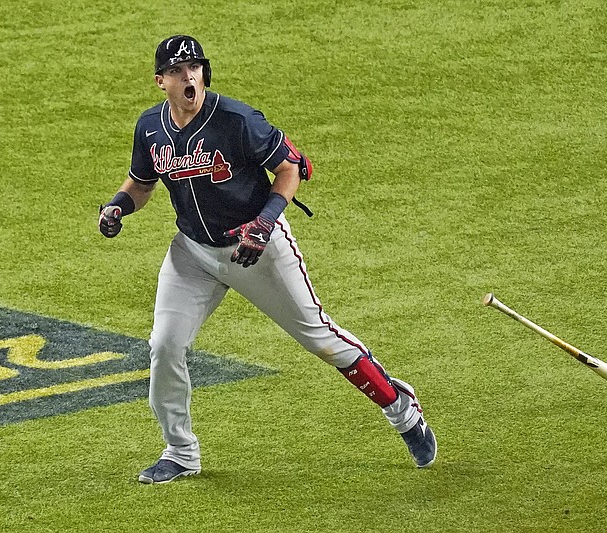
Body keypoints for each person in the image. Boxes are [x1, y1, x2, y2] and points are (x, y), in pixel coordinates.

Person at [98, 35, 437, 484]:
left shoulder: (237, 120)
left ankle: (401, 409)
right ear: (161, 81)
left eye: (195, 68)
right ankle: (180, 452)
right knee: (164, 345)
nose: (189, 77)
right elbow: (142, 183)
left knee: (321, 339)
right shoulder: (150, 127)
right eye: (178, 71)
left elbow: (293, 166)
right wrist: (118, 205)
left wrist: (264, 222)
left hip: (257, 247)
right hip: (193, 253)